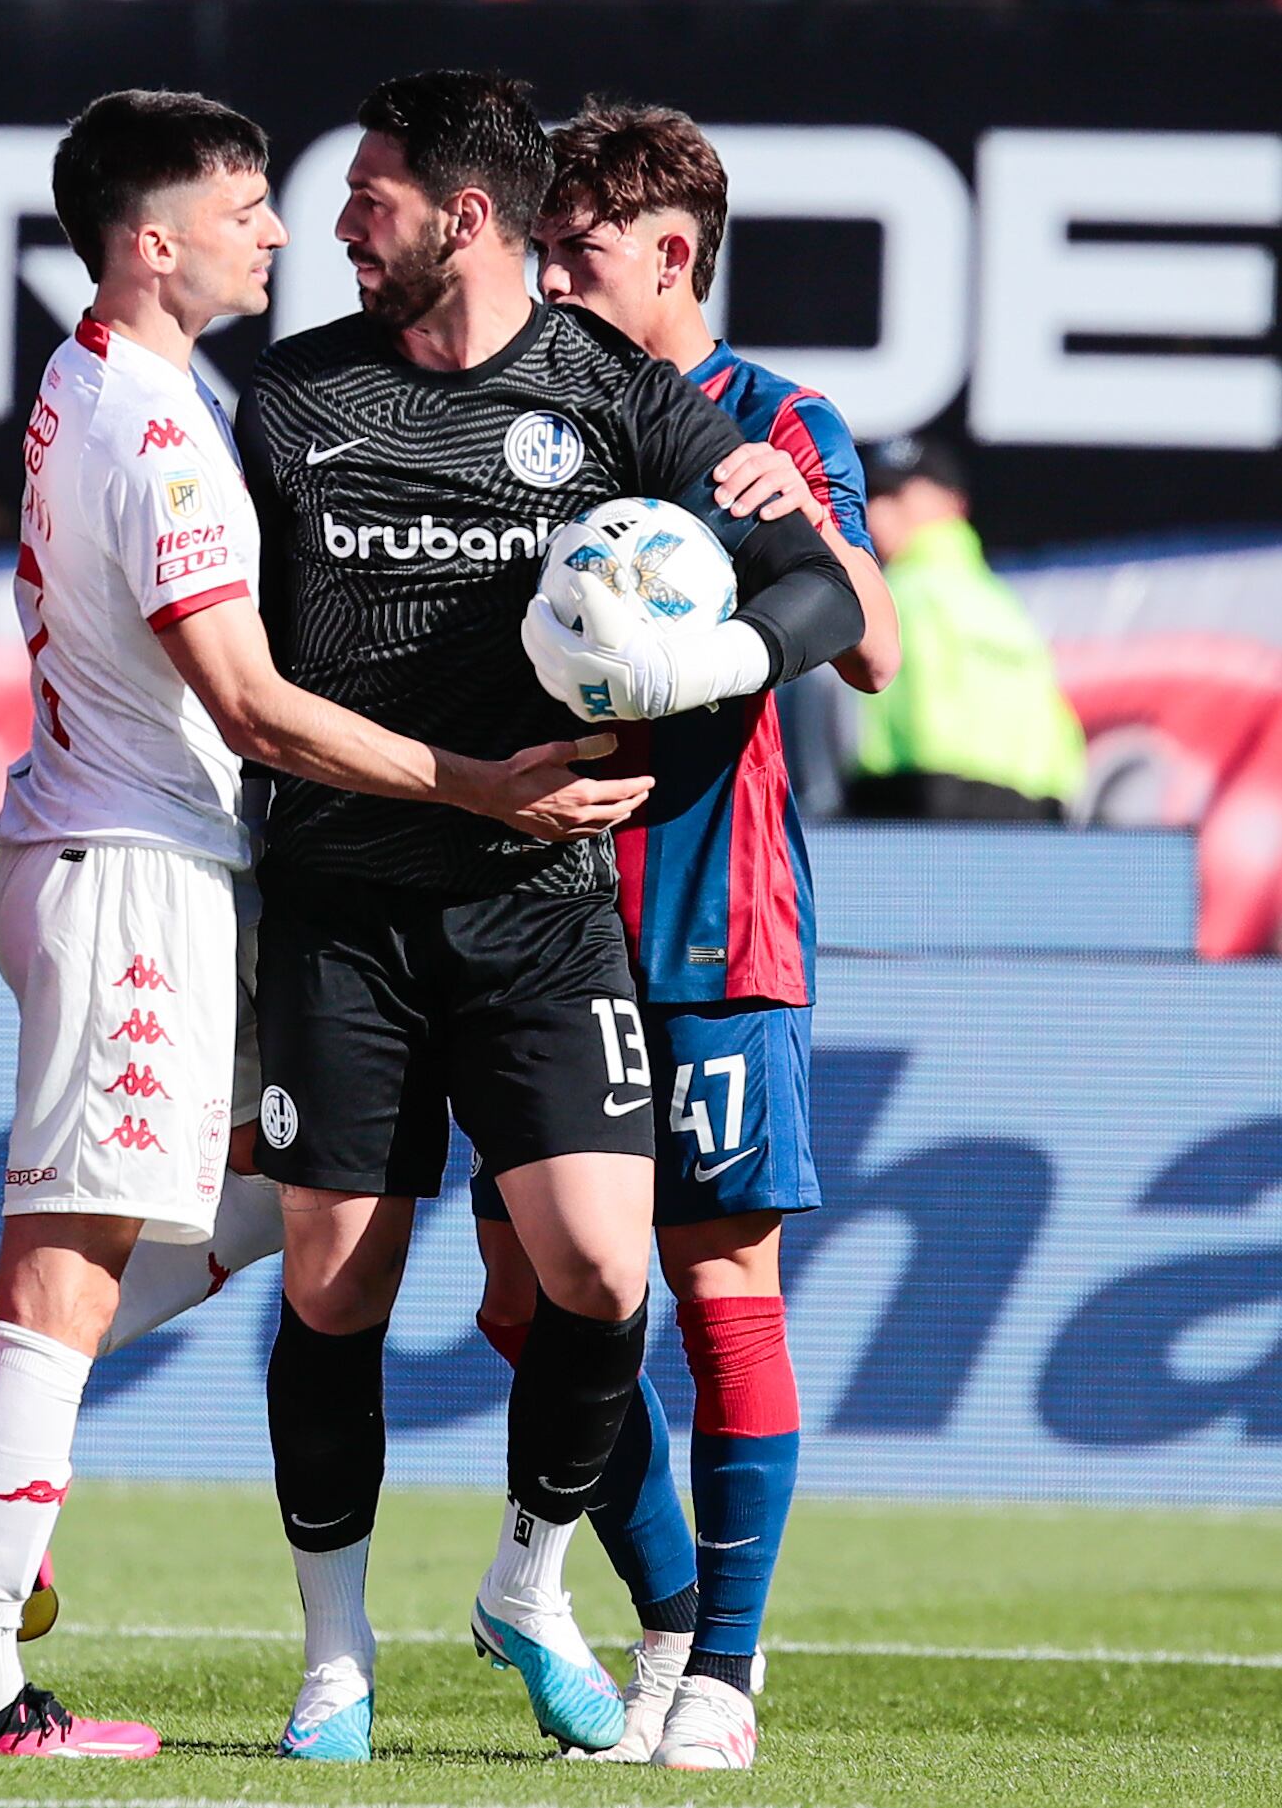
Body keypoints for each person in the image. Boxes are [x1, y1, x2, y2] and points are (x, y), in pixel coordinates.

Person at [0, 87, 656, 1763]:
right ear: (153, 242)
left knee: (291, 1215)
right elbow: (258, 706)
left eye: (326, 196)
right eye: (248, 204)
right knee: (77, 1271)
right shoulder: (172, 424)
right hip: (144, 866)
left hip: (159, 859)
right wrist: (478, 782)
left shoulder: (110, 384)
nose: (284, 228)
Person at [235, 70, 861, 1761]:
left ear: (457, 214)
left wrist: (724, 651)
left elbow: (815, 582)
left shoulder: (621, 396)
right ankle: (333, 1654)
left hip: (541, 905)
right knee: (329, 1280)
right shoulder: (282, 400)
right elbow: (231, 672)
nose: (328, 218)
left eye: (361, 188)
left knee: (595, 1269)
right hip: (339, 903)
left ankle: (539, 1575)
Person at [487, 98, 899, 1771]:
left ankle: (719, 1667)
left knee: (716, 1279)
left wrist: (785, 515)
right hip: (524, 924)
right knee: (522, 1295)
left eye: (574, 250)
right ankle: (661, 1606)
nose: (550, 277)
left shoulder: (771, 415)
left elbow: (868, 639)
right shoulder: (517, 416)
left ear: (670, 252)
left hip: (707, 925)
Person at [843, 435, 1081, 823]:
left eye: (899, 496)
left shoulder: (887, 594)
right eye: (874, 497)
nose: (878, 513)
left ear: (953, 502)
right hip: (1034, 811)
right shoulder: (1006, 602)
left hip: (915, 802)